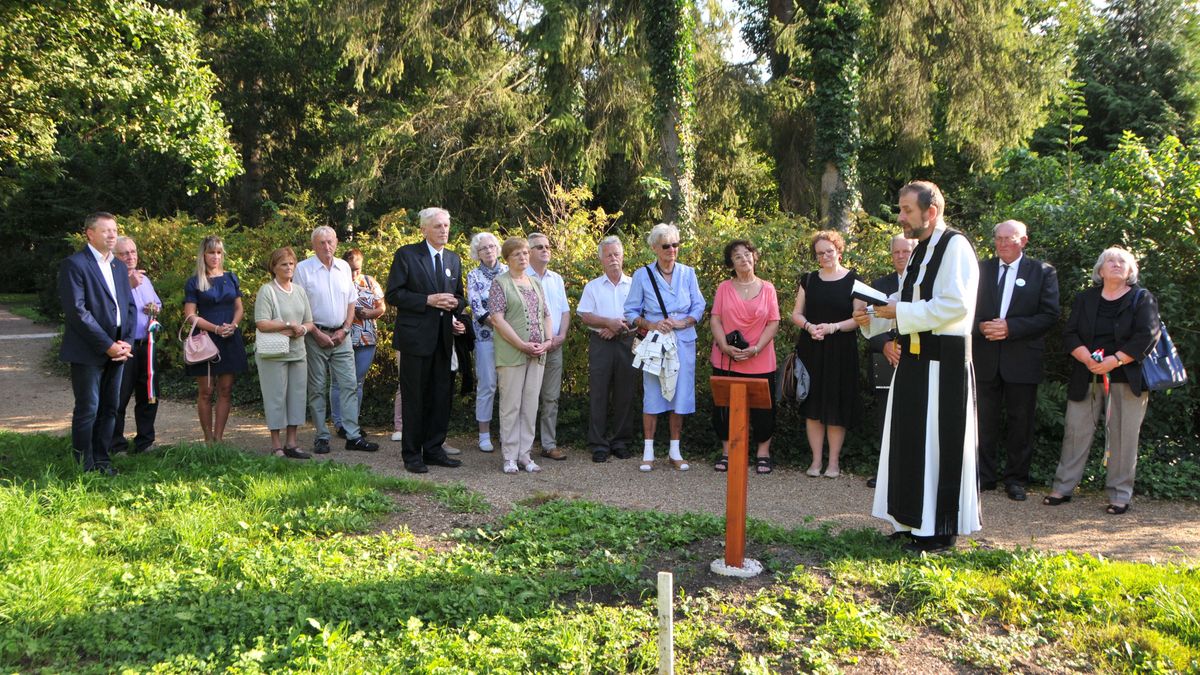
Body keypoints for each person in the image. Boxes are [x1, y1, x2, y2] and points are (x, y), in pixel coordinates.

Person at [853, 180, 981, 554]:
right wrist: (874, 314)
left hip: (944, 364)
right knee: (909, 443)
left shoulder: (954, 246)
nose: (902, 216)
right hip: (914, 361)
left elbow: (955, 305)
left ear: (932, 211)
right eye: (901, 209)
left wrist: (899, 312)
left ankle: (939, 529)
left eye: (907, 209)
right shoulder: (921, 251)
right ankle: (912, 522)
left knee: (936, 446)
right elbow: (905, 299)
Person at [1044, 247, 1160, 515]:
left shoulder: (1142, 299)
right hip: (1086, 375)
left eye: (1123, 261)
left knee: (1123, 437)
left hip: (1126, 378)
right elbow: (1070, 333)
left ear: (1131, 270)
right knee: (1075, 433)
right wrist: (1086, 358)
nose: (1116, 264)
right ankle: (1062, 488)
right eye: (1110, 260)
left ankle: (1120, 495)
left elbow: (1147, 335)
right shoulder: (1086, 298)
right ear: (1100, 270)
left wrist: (1115, 360)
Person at [973, 220, 1060, 501]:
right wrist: (980, 326)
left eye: (1009, 239)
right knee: (983, 421)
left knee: (1020, 422)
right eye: (998, 238)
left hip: (1022, 360)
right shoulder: (981, 270)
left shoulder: (1042, 272)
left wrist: (1011, 328)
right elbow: (962, 307)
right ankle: (984, 477)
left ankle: (1016, 479)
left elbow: (1049, 315)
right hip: (984, 357)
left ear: (1023, 241)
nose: (1002, 244)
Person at [385, 207, 467, 473]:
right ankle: (412, 455)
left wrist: (456, 304)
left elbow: (460, 297)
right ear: (424, 230)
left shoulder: (453, 259)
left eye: (446, 225)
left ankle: (433, 449)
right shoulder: (407, 255)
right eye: (438, 226)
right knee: (414, 398)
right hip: (414, 340)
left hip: (443, 339)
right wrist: (427, 300)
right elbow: (394, 295)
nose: (444, 230)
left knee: (440, 397)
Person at [624, 222, 706, 472]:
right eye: (666, 245)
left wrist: (682, 322)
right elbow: (630, 311)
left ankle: (675, 451)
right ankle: (648, 452)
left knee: (680, 394)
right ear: (654, 248)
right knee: (653, 394)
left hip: (682, 341)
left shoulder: (688, 273)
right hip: (656, 342)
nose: (672, 250)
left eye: (675, 244)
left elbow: (699, 306)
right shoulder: (642, 275)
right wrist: (651, 323)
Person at [58, 212, 135, 475]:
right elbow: (77, 313)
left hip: (118, 349)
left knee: (110, 408)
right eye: (106, 231)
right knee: (88, 408)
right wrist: (107, 345)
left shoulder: (118, 266)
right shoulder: (75, 265)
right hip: (88, 350)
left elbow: (130, 306)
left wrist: (126, 342)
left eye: (115, 230)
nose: (113, 235)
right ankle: (84, 464)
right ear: (90, 234)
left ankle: (102, 460)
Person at [295, 227, 379, 454]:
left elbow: (351, 302)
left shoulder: (343, 266)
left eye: (330, 242)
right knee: (317, 388)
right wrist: (316, 333)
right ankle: (321, 436)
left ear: (337, 242)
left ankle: (353, 435)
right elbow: (299, 307)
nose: (326, 247)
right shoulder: (303, 269)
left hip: (342, 336)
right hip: (316, 336)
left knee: (350, 385)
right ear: (314, 245)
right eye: (321, 242)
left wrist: (345, 329)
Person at [790, 230, 864, 479]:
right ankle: (815, 460)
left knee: (836, 405)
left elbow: (859, 318)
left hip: (841, 350)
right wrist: (809, 326)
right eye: (820, 253)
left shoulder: (854, 280)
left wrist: (833, 327)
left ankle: (833, 463)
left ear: (838, 251)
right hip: (812, 348)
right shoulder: (808, 279)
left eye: (829, 251)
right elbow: (796, 314)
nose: (825, 256)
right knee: (812, 406)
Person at [710, 240, 781, 474]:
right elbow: (716, 319)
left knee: (764, 411)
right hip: (726, 359)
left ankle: (763, 453)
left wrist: (757, 348)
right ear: (731, 263)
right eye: (737, 256)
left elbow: (774, 322)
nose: (744, 259)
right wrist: (724, 346)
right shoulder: (723, 288)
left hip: (760, 359)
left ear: (755, 256)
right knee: (724, 409)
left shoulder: (768, 288)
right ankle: (728, 452)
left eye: (747, 254)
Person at [488, 237, 553, 473]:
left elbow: (546, 314)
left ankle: (525, 455)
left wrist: (547, 341)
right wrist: (521, 344)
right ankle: (509, 457)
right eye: (517, 254)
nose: (523, 257)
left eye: (526, 253)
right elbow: (497, 319)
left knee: (530, 405)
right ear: (507, 258)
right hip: (512, 354)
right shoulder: (500, 283)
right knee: (511, 406)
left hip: (537, 354)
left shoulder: (535, 283)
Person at [577, 236, 637, 463]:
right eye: (608, 255)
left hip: (627, 342)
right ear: (601, 259)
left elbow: (640, 313)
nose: (613, 259)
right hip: (600, 343)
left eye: (617, 254)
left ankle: (621, 442)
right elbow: (586, 316)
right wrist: (608, 323)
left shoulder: (634, 284)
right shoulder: (592, 286)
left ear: (623, 257)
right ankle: (599, 444)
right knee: (599, 393)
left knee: (625, 393)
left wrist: (615, 326)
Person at [253, 247, 317, 459]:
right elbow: (261, 323)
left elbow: (309, 321)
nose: (289, 268)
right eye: (283, 264)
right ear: (274, 267)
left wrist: (303, 329)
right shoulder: (267, 290)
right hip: (274, 354)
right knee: (276, 397)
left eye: (291, 263)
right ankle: (276, 445)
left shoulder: (299, 291)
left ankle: (292, 443)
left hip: (298, 351)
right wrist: (289, 324)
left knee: (297, 397)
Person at [183, 235, 248, 443]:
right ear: (203, 254)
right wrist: (215, 329)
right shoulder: (194, 282)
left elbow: (239, 308)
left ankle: (219, 439)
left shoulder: (232, 278)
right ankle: (208, 439)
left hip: (229, 337)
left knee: (226, 390)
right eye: (211, 252)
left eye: (219, 252)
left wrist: (234, 325)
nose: (215, 257)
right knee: (206, 391)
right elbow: (190, 315)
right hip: (205, 339)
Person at [865, 235, 915, 488]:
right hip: (886, 358)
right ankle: (885, 471)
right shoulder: (879, 284)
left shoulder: (922, 282)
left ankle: (910, 471)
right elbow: (870, 322)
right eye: (896, 252)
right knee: (886, 416)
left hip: (917, 356)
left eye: (906, 251)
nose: (901, 256)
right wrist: (884, 344)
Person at [109, 235, 162, 455]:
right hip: (124, 346)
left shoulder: (145, 279)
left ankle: (145, 442)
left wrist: (155, 310)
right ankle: (116, 444)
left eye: (133, 252)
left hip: (146, 346)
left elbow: (157, 304)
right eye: (124, 253)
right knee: (119, 397)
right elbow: (111, 309)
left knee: (149, 395)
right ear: (115, 257)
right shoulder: (111, 279)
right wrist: (128, 285)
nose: (130, 257)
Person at [330, 249, 386, 441]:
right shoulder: (336, 281)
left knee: (358, 382)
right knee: (339, 382)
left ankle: (353, 422)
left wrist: (368, 314)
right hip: (341, 337)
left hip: (366, 338)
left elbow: (382, 307)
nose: (354, 273)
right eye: (351, 269)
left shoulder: (369, 282)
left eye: (357, 269)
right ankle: (339, 424)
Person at [527, 232, 571, 461]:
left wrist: (561, 335)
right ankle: (521, 445)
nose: (545, 250)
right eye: (539, 247)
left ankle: (548, 444)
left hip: (554, 346)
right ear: (529, 252)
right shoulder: (520, 277)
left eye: (547, 246)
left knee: (551, 398)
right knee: (526, 397)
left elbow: (564, 310)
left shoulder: (556, 279)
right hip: (530, 348)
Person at [466, 231, 507, 452]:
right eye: (483, 248)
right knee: (488, 384)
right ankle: (483, 434)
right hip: (485, 337)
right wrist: (499, 325)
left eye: (492, 246)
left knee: (508, 386)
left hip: (510, 339)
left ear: (498, 249)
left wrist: (507, 329)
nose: (489, 251)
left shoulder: (509, 272)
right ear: (477, 253)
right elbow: (476, 306)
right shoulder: (473, 275)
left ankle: (506, 433)